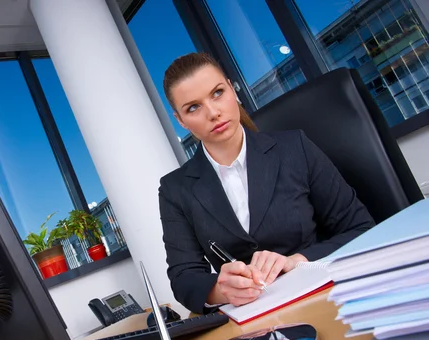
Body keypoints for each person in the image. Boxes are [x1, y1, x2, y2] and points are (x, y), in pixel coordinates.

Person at [158, 52, 375, 314]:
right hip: (254, 323)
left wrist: (298, 261)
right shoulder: (176, 189)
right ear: (180, 121)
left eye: (217, 93)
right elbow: (184, 278)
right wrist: (221, 289)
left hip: (326, 299)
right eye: (193, 107)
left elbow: (361, 228)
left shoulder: (295, 148)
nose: (213, 112)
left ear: (232, 89)